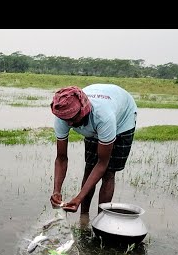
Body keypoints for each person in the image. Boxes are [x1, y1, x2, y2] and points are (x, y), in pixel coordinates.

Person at [49, 84, 137, 225]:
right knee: (89, 167)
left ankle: (101, 221)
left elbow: (102, 163)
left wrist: (78, 197)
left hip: (122, 120)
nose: (70, 123)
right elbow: (61, 158)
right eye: (67, 120)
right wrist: (56, 191)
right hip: (94, 119)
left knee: (108, 173)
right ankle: (84, 218)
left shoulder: (103, 117)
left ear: (83, 111)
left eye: (73, 119)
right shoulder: (63, 115)